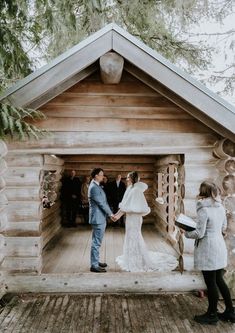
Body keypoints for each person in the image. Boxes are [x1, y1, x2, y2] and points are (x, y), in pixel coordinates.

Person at [183, 181, 235, 325]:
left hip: (208, 249)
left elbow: (199, 233)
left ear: (202, 192)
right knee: (219, 280)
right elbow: (223, 227)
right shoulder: (220, 207)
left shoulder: (203, 209)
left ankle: (212, 314)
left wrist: (186, 232)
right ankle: (230, 311)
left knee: (211, 282)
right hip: (219, 246)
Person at [114, 171, 178, 272]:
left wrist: (118, 216)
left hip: (135, 218)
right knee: (130, 236)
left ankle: (138, 260)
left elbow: (136, 207)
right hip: (130, 218)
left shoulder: (136, 191)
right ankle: (131, 257)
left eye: (128, 177)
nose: (126, 179)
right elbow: (125, 205)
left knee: (135, 236)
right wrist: (117, 216)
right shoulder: (130, 188)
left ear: (132, 178)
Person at [88, 168, 115, 273]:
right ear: (95, 175)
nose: (103, 176)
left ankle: (96, 261)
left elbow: (104, 201)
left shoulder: (96, 185)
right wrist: (111, 214)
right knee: (96, 242)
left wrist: (109, 213)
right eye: (101, 174)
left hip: (100, 217)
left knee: (97, 241)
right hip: (98, 218)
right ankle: (94, 265)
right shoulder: (94, 187)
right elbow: (101, 203)